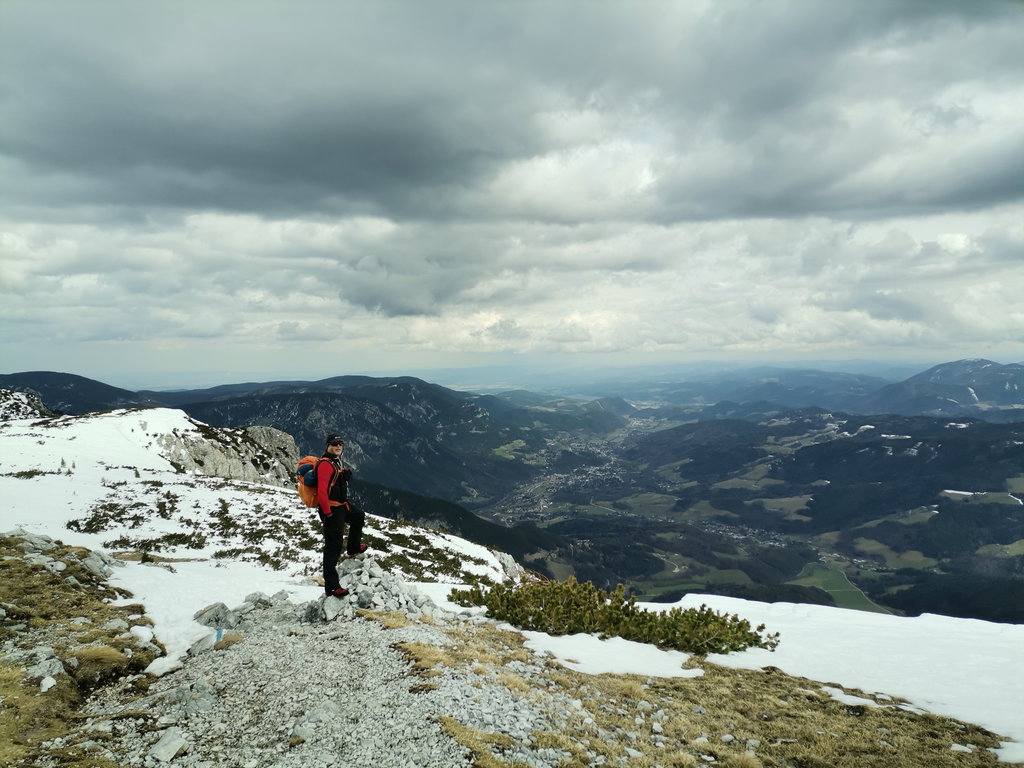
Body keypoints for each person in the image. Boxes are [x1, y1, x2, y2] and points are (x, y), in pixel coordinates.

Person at [316, 434, 367, 597]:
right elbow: (322, 492)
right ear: (327, 446)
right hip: (331, 509)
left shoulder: (335, 462)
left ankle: (352, 548)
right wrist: (327, 513)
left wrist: (344, 475)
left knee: (358, 516)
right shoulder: (325, 465)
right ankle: (331, 587)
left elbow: (335, 480)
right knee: (333, 546)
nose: (338, 447)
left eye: (340, 444)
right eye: (334, 444)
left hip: (342, 506)